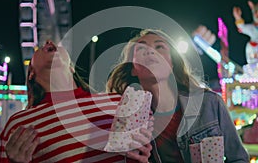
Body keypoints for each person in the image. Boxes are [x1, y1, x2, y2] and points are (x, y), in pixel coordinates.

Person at [106, 29, 250, 162]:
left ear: (171, 63)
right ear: (133, 69)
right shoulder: (125, 119)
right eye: (141, 48)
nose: (150, 51)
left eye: (159, 47)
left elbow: (239, 158)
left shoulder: (209, 103)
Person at [0, 41, 153, 163]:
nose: (48, 41)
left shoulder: (118, 102)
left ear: (72, 67)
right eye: (40, 48)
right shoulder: (19, 124)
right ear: (31, 73)